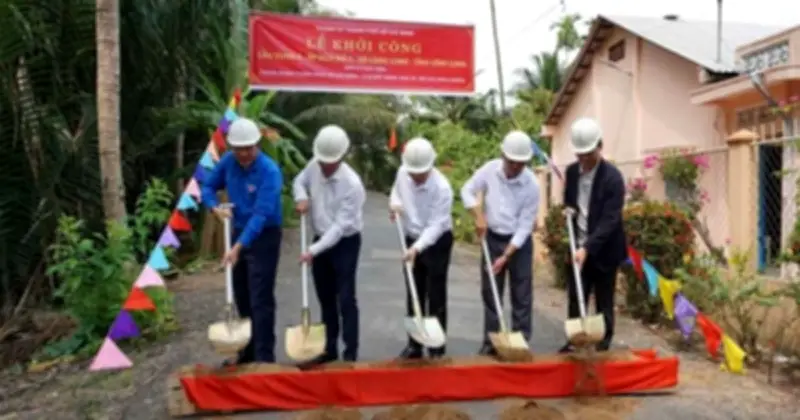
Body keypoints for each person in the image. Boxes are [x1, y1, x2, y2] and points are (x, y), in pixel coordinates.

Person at [201, 117, 284, 365]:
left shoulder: (270, 171)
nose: (244, 154)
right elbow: (207, 187)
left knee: (260, 297)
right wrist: (214, 207)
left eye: (249, 148)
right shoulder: (228, 162)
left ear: (257, 145)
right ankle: (247, 353)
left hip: (264, 235)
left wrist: (238, 247)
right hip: (237, 230)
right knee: (242, 294)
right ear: (231, 148)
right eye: (239, 149)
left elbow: (261, 214)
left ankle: (264, 357)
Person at [461, 131, 540, 356]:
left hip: (519, 244)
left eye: (520, 163)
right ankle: (490, 341)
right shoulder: (489, 170)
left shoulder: (532, 185)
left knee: (521, 293)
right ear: (503, 155)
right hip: (492, 237)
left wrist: (506, 256)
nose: (515, 167)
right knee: (491, 292)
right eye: (511, 161)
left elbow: (525, 226)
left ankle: (520, 341)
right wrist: (478, 215)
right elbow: (466, 190)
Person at [293, 124, 366, 364]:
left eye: (330, 162)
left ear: (341, 157)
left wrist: (311, 251)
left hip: (345, 242)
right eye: (322, 161)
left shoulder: (352, 185)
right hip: (320, 237)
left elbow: (339, 228)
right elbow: (299, 181)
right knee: (325, 297)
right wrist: (301, 197)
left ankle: (350, 352)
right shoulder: (314, 165)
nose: (324, 166)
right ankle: (329, 348)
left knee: (345, 297)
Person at [559, 117, 626, 353]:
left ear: (600, 146)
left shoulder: (613, 178)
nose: (584, 159)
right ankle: (575, 341)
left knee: (603, 298)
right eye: (580, 155)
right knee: (576, 296)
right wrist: (568, 211)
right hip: (577, 245)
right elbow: (570, 202)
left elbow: (610, 220)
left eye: (588, 154)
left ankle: (602, 345)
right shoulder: (571, 172)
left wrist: (588, 247)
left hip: (605, 248)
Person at [389, 137, 454, 360]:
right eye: (412, 173)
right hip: (411, 236)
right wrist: (394, 205)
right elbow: (396, 192)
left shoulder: (442, 188)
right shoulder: (403, 173)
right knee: (413, 291)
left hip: (437, 241)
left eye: (421, 173)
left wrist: (416, 249)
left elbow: (436, 226)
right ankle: (415, 345)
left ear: (430, 166)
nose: (415, 177)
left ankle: (437, 347)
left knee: (435, 294)